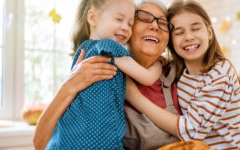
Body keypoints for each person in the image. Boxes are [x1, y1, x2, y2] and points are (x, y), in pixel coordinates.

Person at [33, 0, 180, 149]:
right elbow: (39, 143)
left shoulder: (179, 75)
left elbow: (191, 130)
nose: (155, 26)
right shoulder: (89, 67)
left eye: (163, 22)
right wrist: (69, 87)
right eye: (144, 18)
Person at [125, 1, 240, 149]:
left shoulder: (220, 75)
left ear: (209, 33)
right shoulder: (179, 71)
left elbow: (191, 131)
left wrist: (134, 97)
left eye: (195, 29)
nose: (189, 37)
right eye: (179, 32)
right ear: (171, 41)